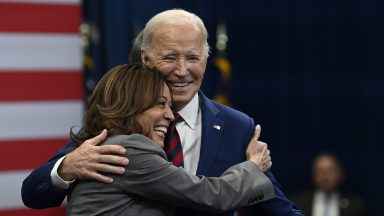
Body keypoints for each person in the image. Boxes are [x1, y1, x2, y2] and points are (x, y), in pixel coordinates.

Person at [22, 9, 303, 216]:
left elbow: (272, 205)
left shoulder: (236, 126)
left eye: (193, 57)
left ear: (207, 61)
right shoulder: (118, 124)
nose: (182, 70)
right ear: (146, 59)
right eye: (169, 57)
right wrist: (66, 167)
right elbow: (32, 193)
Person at [66, 63, 274, 215]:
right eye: (160, 104)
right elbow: (213, 195)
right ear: (130, 106)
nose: (170, 114)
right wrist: (253, 165)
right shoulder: (129, 150)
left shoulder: (106, 145)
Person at [289, 152, 367, 216]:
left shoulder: (355, 205)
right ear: (313, 175)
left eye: (330, 170)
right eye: (320, 171)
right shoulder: (297, 203)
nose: (326, 176)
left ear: (340, 173)